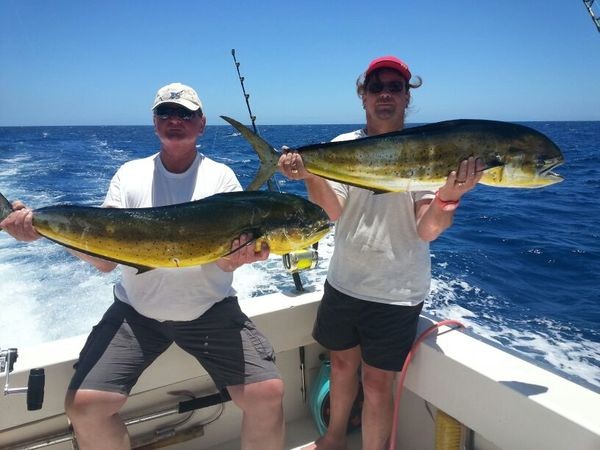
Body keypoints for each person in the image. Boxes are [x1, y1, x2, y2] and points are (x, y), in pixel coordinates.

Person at [0, 82, 285, 450]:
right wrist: (38, 229)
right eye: (166, 112)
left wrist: (237, 258)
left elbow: (225, 263)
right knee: (84, 407)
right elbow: (105, 261)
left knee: (267, 394)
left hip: (209, 309)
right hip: (137, 314)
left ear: (201, 124)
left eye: (185, 113)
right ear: (154, 122)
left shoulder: (221, 178)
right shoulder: (129, 175)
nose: (175, 119)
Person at [278, 56, 484, 450]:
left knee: (376, 385)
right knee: (341, 367)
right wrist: (310, 175)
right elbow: (333, 212)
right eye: (376, 87)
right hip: (344, 282)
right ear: (363, 96)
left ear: (407, 97)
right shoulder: (341, 147)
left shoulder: (428, 151)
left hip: (396, 293)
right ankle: (333, 439)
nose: (385, 94)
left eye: (395, 87)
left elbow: (427, 229)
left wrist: (449, 196)